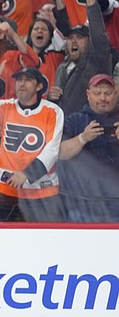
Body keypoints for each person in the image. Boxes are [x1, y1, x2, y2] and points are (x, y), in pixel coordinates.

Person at [0, 54, 66, 222]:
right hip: (9, 192)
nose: (22, 84)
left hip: (43, 194)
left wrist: (27, 173)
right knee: (6, 245)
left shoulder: (53, 111)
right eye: (19, 80)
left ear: (39, 86)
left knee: (44, 245)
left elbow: (52, 150)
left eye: (28, 80)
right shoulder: (6, 106)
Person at [58, 74, 119, 222]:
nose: (103, 98)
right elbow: (59, 153)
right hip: (83, 203)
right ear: (88, 94)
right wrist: (83, 138)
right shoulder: (75, 120)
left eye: (108, 93)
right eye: (97, 93)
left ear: (116, 94)